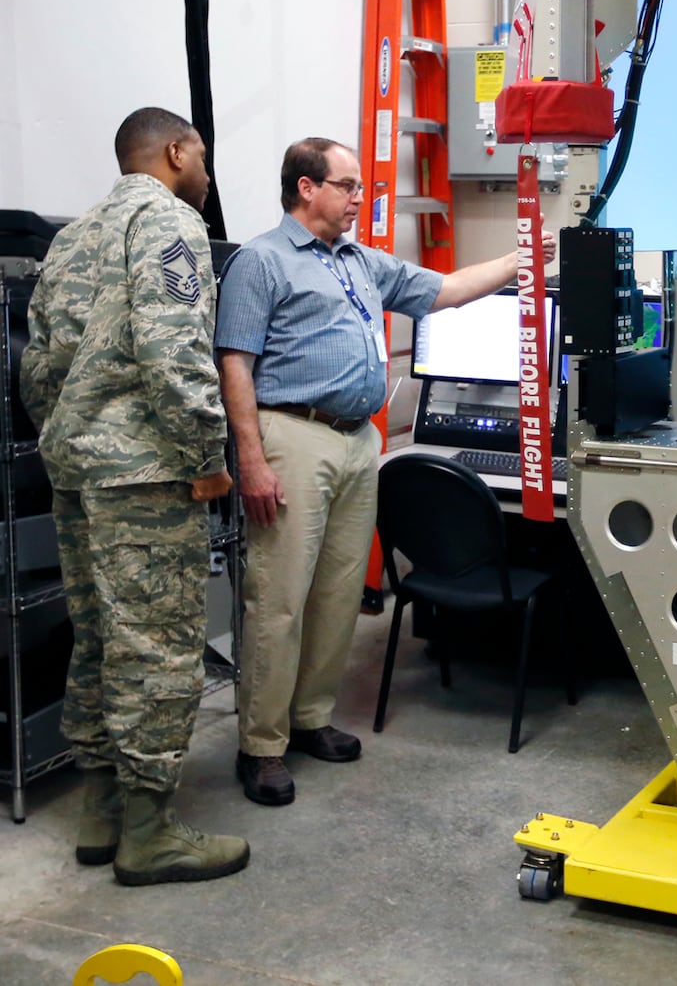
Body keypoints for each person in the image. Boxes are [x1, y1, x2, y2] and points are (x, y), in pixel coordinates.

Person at [216, 137, 554, 806]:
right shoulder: (262, 261)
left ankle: (310, 718)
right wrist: (250, 459)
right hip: (292, 434)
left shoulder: (360, 262)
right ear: (307, 187)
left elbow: (447, 290)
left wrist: (525, 260)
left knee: (340, 591)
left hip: (353, 441)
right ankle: (260, 744)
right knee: (279, 599)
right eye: (348, 186)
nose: (357, 198)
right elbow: (235, 365)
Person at [20, 106, 250, 886]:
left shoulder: (72, 236)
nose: (208, 176)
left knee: (99, 636)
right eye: (205, 159)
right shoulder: (170, 224)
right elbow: (174, 350)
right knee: (157, 644)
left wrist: (72, 435)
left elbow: (37, 363)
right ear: (177, 152)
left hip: (79, 472)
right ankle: (150, 833)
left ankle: (102, 811)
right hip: (148, 476)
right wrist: (205, 455)